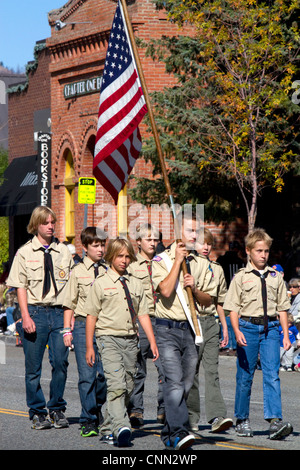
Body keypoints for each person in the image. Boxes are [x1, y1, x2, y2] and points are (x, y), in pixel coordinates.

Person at [151, 211, 216, 450]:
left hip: (190, 329)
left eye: (196, 231)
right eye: (190, 230)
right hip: (166, 329)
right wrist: (177, 262)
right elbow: (165, 291)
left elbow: (209, 300)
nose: (194, 235)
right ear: (177, 232)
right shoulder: (160, 260)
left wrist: (196, 290)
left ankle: (169, 432)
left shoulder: (200, 263)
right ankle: (179, 432)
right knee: (174, 383)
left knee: (187, 384)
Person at [85, 237, 159, 447]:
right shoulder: (100, 283)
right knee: (116, 385)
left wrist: (152, 342)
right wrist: (90, 346)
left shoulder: (135, 283)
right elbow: (91, 315)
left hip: (130, 340)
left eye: (128, 257)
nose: (124, 260)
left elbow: (143, 314)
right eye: (120, 256)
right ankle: (121, 427)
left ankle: (108, 428)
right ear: (111, 257)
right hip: (108, 339)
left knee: (126, 387)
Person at [6, 206, 73, 430]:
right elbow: (20, 287)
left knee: (61, 364)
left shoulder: (64, 251)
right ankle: (37, 412)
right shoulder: (24, 252)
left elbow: (71, 289)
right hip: (34, 313)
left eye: (53, 222)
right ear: (36, 225)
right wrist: (25, 316)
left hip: (58, 313)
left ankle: (56, 409)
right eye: (46, 223)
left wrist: (69, 319)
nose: (51, 226)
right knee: (33, 368)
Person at [223, 227, 293, 440]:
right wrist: (236, 331)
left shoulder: (275, 276)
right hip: (247, 329)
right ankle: (242, 419)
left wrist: (286, 335)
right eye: (259, 251)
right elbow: (232, 308)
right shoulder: (240, 277)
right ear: (248, 251)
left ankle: (274, 420)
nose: (263, 255)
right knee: (245, 376)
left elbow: (282, 308)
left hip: (270, 329)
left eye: (266, 251)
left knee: (272, 375)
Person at [62, 227, 108, 437]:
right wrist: (66, 330)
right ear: (86, 247)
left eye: (102, 245)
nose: (100, 249)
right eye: (95, 245)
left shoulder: (109, 270)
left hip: (106, 327)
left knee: (105, 376)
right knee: (87, 375)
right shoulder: (78, 271)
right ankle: (88, 419)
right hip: (81, 327)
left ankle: (96, 406)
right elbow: (69, 303)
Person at [187, 228, 233, 433]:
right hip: (192, 322)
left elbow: (219, 301)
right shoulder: (187, 264)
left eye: (208, 243)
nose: (205, 247)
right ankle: (190, 417)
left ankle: (216, 416)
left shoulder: (217, 268)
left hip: (211, 322)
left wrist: (224, 326)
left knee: (212, 371)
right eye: (200, 242)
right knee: (192, 371)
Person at [127, 223, 165, 427]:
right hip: (140, 321)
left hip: (162, 320)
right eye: (148, 239)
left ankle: (164, 410)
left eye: (155, 239)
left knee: (165, 367)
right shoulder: (131, 266)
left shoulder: (163, 263)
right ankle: (136, 411)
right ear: (138, 242)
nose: (152, 243)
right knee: (138, 369)